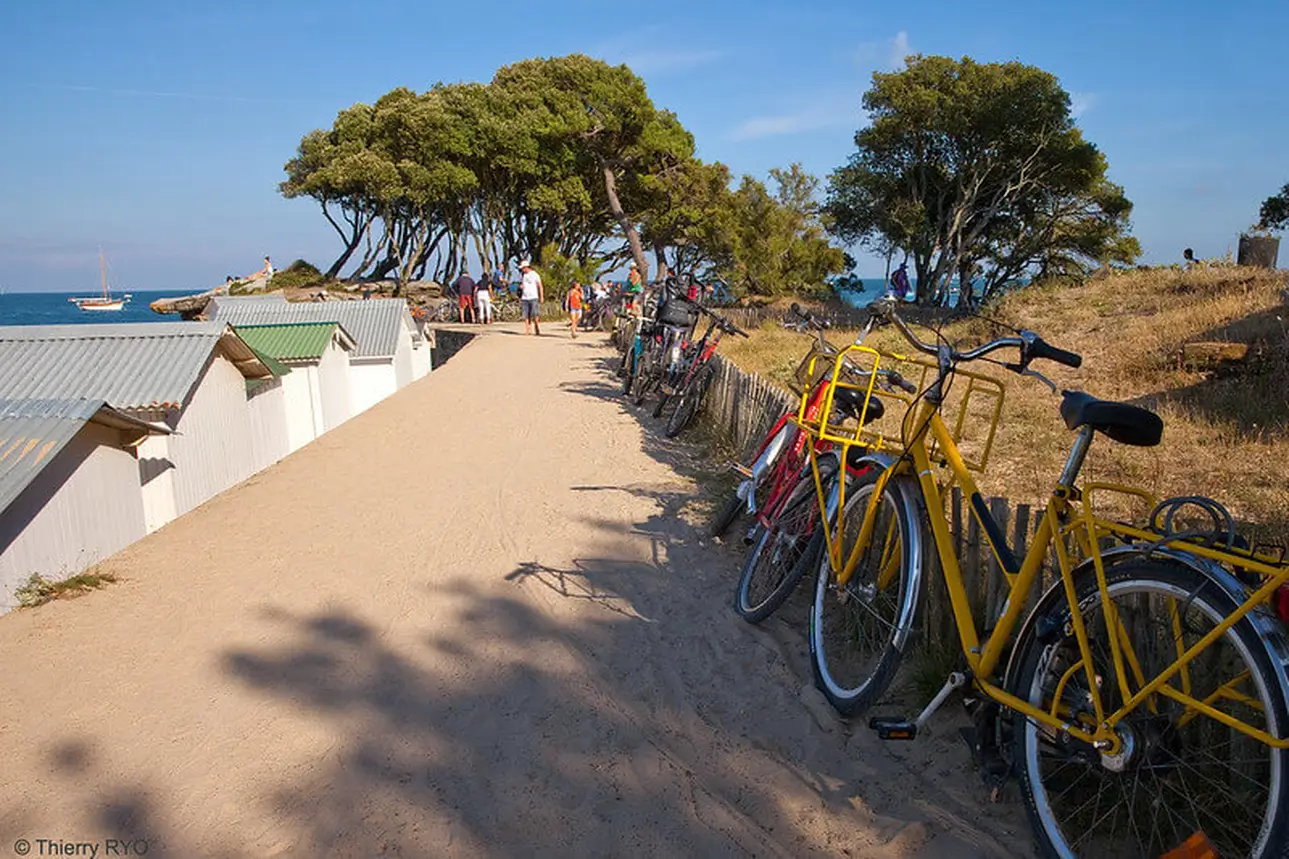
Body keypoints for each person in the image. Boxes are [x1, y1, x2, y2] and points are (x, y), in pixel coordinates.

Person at [519, 259, 543, 335]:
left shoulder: (535, 275)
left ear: (526, 267)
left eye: (523, 268)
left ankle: (536, 325)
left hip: (533, 297)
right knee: (526, 314)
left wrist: (541, 296)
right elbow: (523, 284)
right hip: (525, 297)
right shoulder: (524, 276)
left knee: (535, 314)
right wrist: (521, 287)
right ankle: (528, 330)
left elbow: (540, 286)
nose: (522, 270)